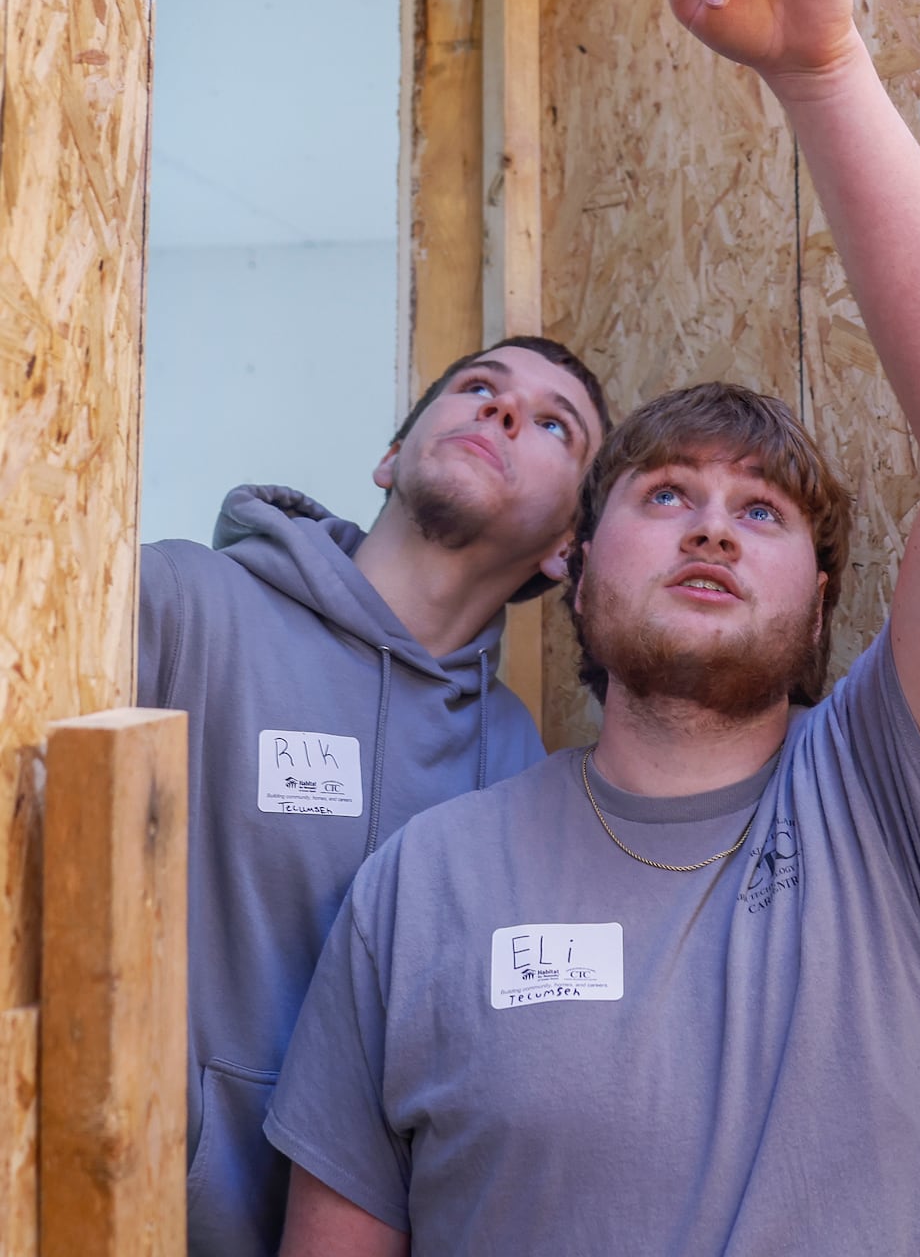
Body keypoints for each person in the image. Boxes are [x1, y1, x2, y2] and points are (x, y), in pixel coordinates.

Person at [265, 0, 920, 1256]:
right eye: (666, 492)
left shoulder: (895, 808)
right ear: (574, 566)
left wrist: (822, 75)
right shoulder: (422, 885)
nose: (712, 524)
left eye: (764, 511)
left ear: (826, 600)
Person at [139, 334, 609, 1257]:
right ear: (391, 457)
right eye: (480, 386)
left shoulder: (523, 766)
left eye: (556, 424)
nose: (505, 410)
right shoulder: (181, 604)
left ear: (566, 550)